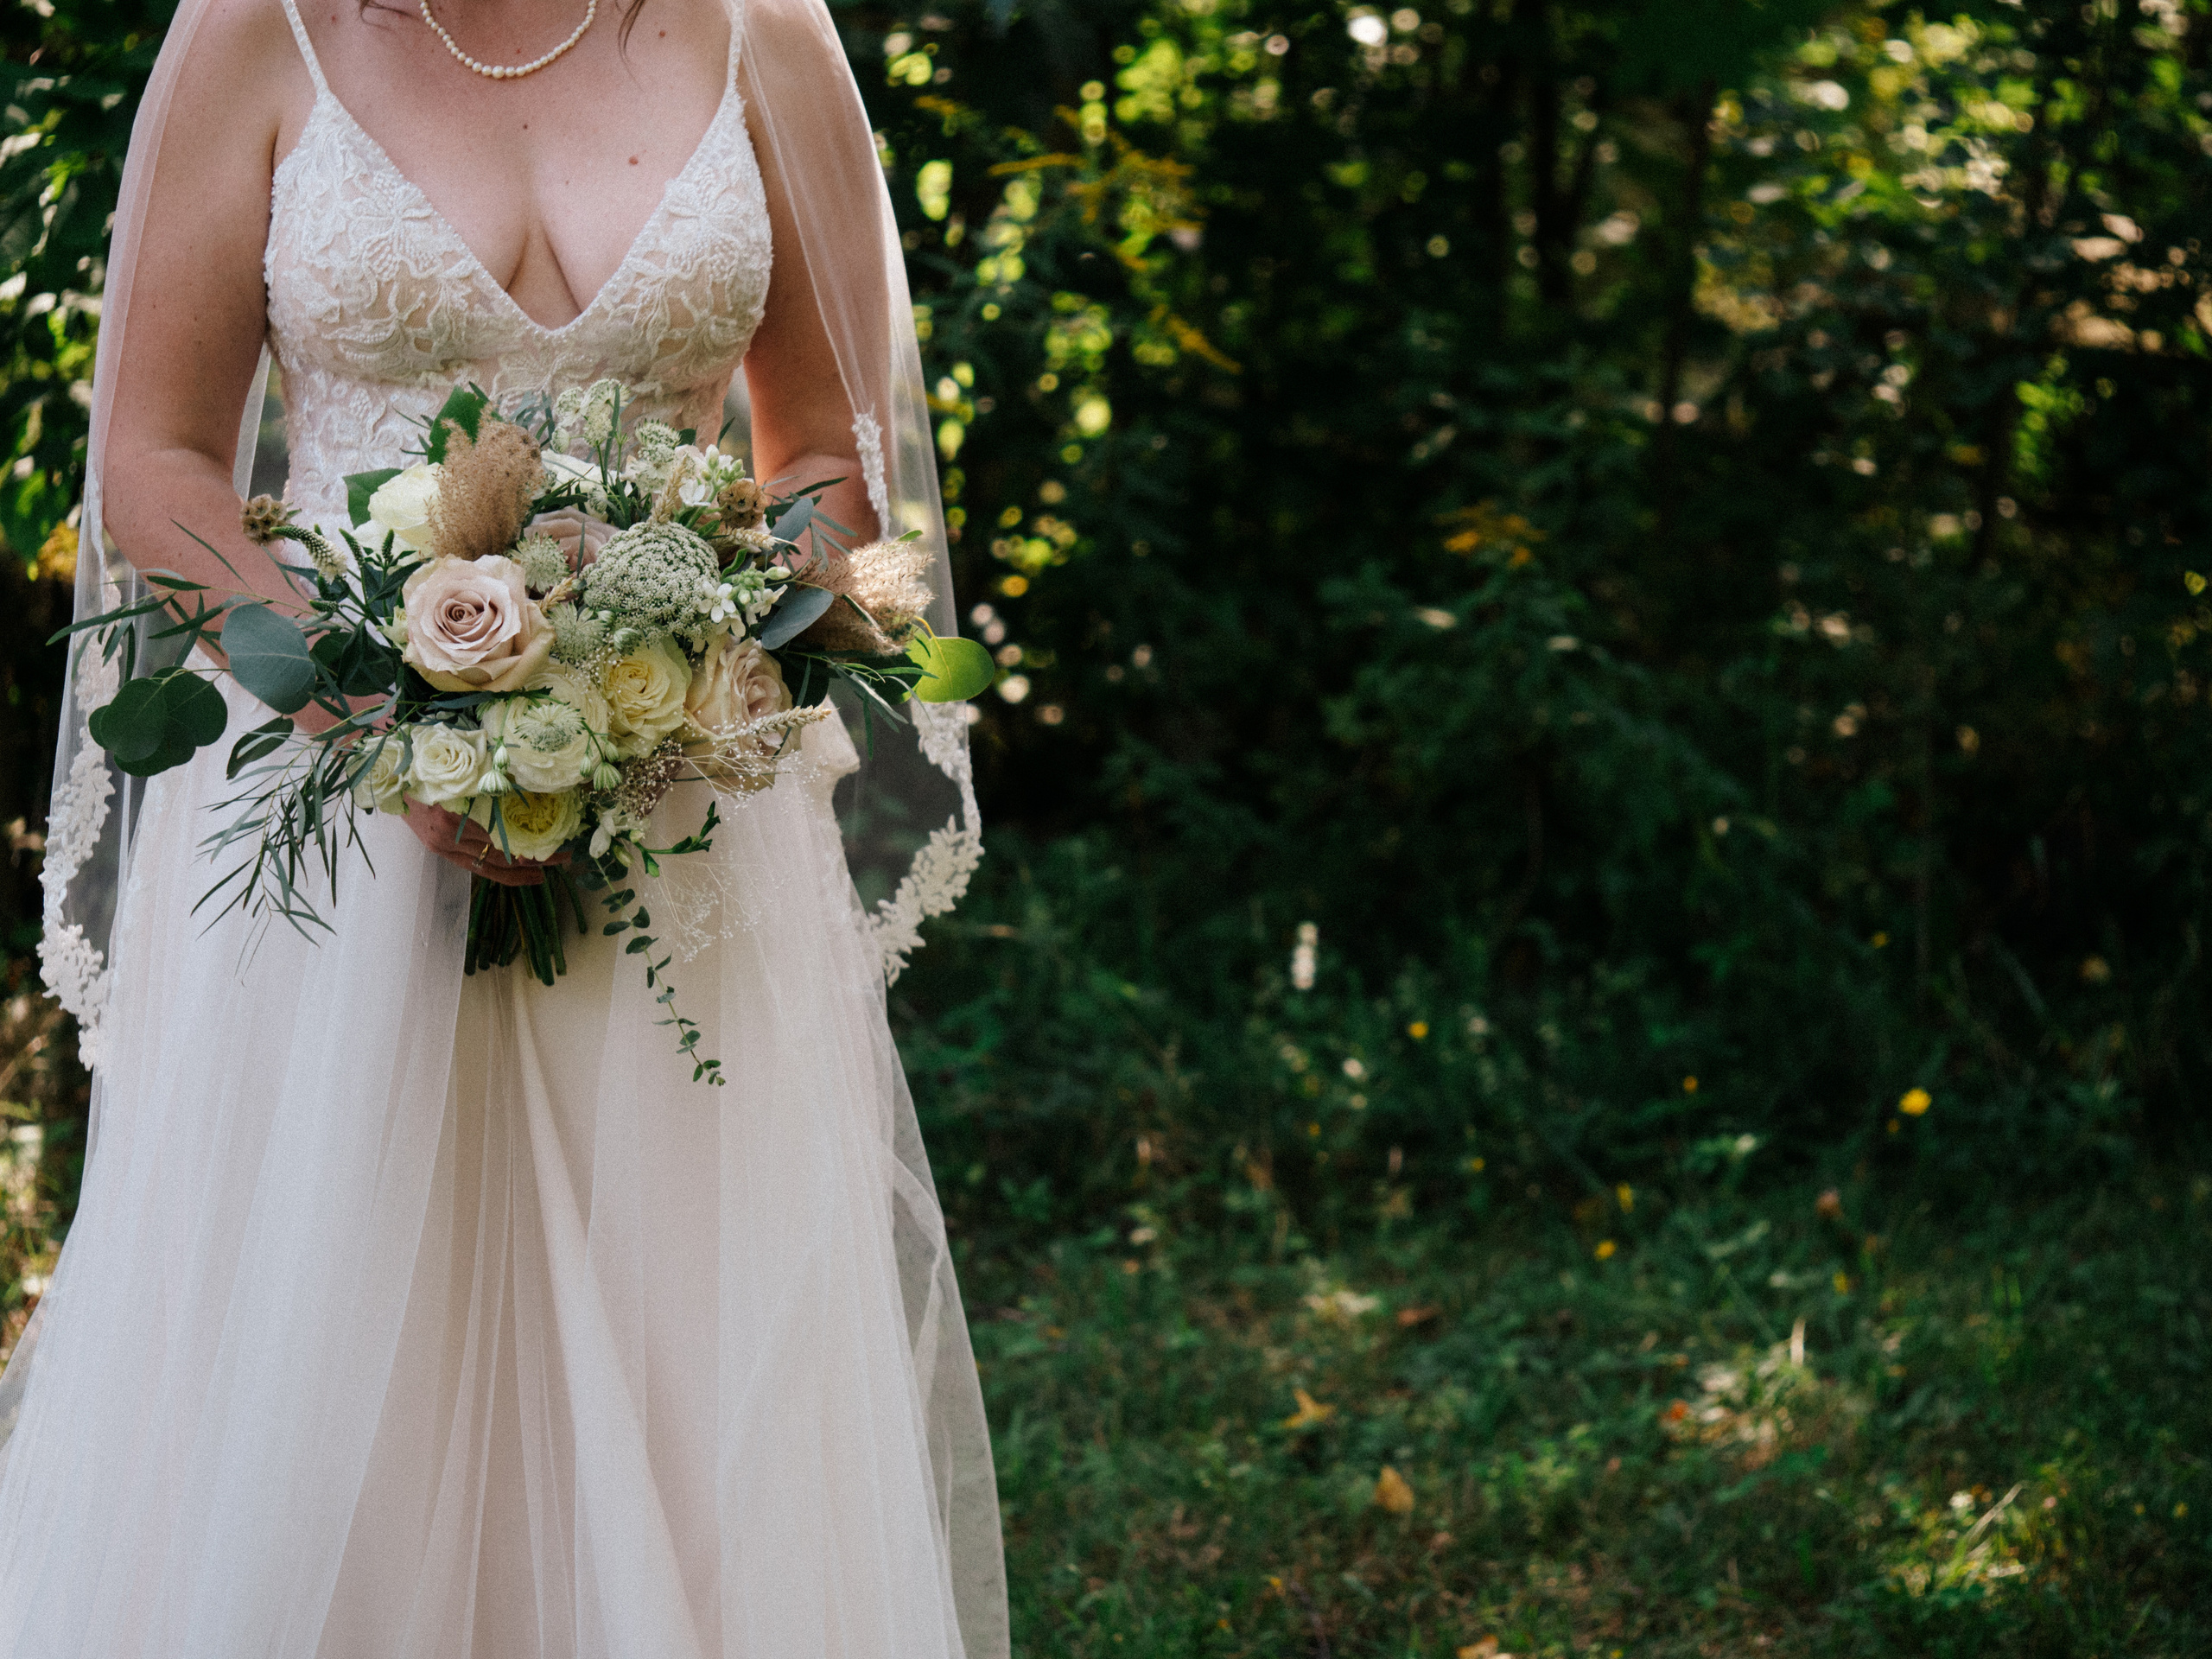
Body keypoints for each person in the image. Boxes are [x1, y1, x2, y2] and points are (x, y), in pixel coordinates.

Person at [0, 0, 1005, 1652]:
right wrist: (379, 723)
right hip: (329, 833)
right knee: (322, 1363)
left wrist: (704, 664)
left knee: (690, 1333)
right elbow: (159, 468)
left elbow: (826, 448)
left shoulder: (764, 35)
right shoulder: (259, 30)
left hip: (676, 815)